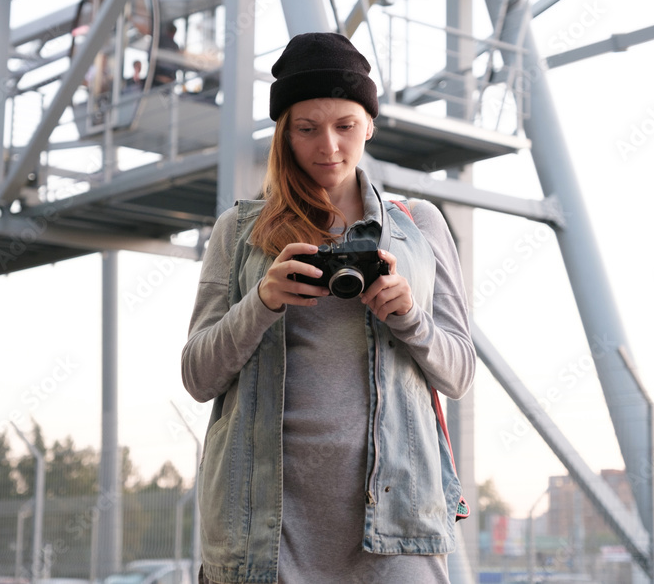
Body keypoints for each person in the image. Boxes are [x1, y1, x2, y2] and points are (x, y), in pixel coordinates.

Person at [181, 32, 476, 583]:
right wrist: (263, 301)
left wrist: (409, 317)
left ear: (369, 124)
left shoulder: (418, 226)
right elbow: (198, 376)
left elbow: (459, 372)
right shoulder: (239, 232)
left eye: (345, 126)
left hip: (398, 521)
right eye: (307, 129)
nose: (329, 148)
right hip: (263, 525)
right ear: (284, 135)